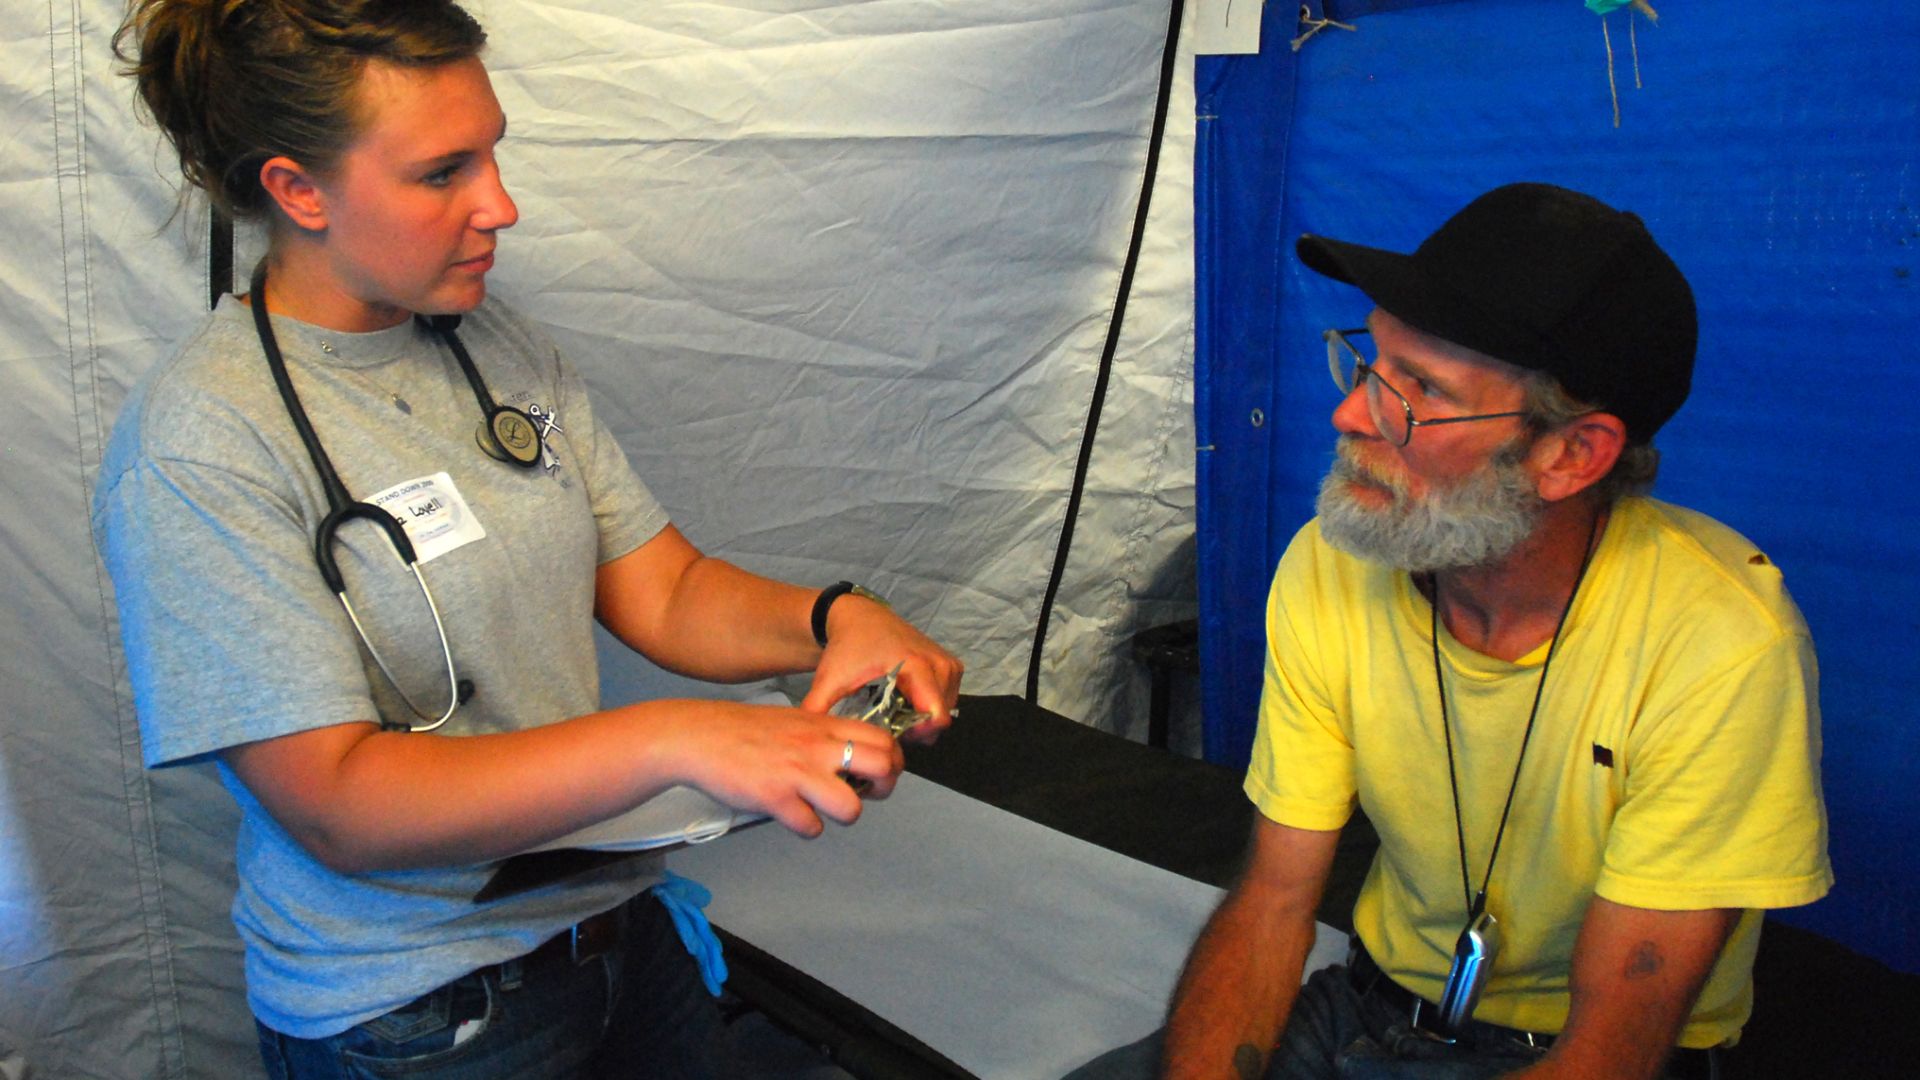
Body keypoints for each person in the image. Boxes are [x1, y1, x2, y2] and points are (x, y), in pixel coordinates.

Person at [94, 1, 962, 1076]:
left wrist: (836, 618)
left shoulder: (497, 349)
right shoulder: (199, 443)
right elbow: (339, 806)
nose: (498, 206)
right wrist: (673, 740)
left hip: (611, 941)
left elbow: (668, 589)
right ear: (297, 189)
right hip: (419, 1015)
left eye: (493, 154)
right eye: (440, 172)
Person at [1071, 183, 1830, 1080]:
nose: (1351, 414)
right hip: (1368, 1003)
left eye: (1420, 391)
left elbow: (1613, 1050)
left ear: (1571, 454)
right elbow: (1275, 902)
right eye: (1369, 362)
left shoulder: (1720, 643)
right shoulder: (1334, 562)